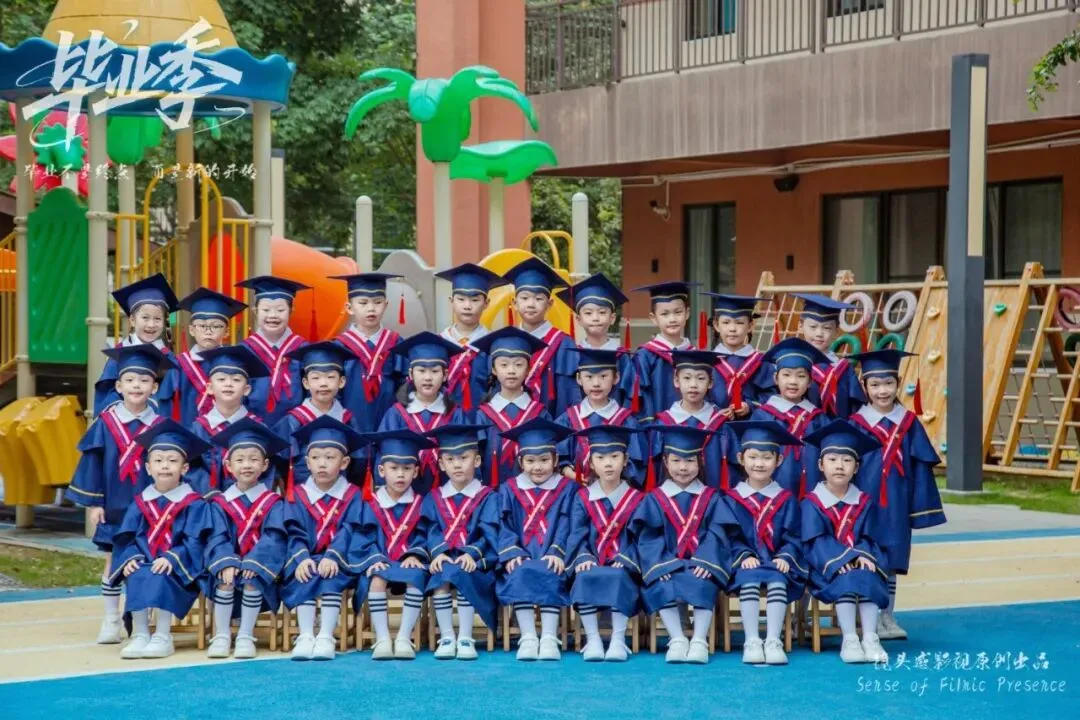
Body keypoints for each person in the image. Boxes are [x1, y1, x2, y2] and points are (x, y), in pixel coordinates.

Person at [68, 344, 171, 645]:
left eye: (144, 380)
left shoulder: (160, 425)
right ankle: (111, 618)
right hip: (114, 502)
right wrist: (94, 503)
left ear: (154, 387)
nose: (137, 386)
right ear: (118, 386)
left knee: (148, 559)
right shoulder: (106, 422)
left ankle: (142, 618)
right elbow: (93, 463)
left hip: (150, 506)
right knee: (113, 559)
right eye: (130, 380)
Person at [850, 349, 946, 641]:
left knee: (892, 560)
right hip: (863, 503)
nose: (882, 390)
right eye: (875, 384)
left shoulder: (908, 422)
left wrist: (920, 506)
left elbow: (920, 467)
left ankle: (887, 616)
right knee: (867, 557)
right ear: (864, 386)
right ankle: (865, 617)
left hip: (896, 502)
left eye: (888, 383)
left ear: (899, 383)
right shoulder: (855, 424)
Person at [628, 424, 739, 664]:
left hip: (700, 563)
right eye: (676, 461)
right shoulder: (655, 499)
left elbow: (717, 533)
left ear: (700, 462)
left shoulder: (711, 497)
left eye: (689, 461)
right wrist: (661, 564)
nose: (683, 468)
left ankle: (699, 640)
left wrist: (707, 561)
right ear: (665, 462)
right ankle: (677, 638)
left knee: (703, 581)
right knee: (661, 582)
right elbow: (649, 536)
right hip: (668, 563)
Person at [110, 420, 214, 660]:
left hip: (179, 568)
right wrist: (131, 558)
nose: (165, 466)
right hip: (146, 561)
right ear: (148, 468)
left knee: (160, 572)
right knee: (136, 572)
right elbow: (126, 538)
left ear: (185, 468)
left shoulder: (194, 503)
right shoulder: (140, 503)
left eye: (172, 460)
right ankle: (140, 634)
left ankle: (162, 635)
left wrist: (173, 557)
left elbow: (196, 541)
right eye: (158, 460)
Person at [340, 429, 436, 661]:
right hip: (380, 562)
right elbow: (362, 536)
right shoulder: (370, 503)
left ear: (416, 472)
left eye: (407, 469)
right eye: (394, 468)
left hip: (409, 565)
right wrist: (374, 559)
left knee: (415, 577)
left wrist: (416, 554)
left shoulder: (422, 503)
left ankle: (403, 637)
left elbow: (427, 533)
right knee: (377, 579)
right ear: (381, 471)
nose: (400, 474)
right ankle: (382, 638)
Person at [800, 419, 889, 665]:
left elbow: (871, 536)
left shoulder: (864, 501)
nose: (839, 466)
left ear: (856, 467)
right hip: (824, 567)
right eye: (832, 460)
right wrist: (842, 559)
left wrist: (863, 555)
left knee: (868, 575)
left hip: (859, 563)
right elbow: (814, 541)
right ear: (820, 464)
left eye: (847, 460)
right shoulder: (812, 503)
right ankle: (850, 638)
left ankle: (870, 637)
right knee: (847, 577)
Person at [280, 416, 366, 661]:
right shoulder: (297, 495)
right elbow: (293, 531)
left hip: (340, 560)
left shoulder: (353, 494)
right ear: (307, 462)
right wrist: (301, 558)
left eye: (330, 457)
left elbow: (351, 529)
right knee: (304, 573)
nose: (322, 464)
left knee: (331, 575)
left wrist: (333, 556)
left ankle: (327, 635)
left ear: (345, 462)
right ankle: (306, 635)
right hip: (306, 557)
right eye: (316, 457)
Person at [203, 420, 290, 659]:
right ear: (228, 466)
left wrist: (254, 562)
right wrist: (226, 561)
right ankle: (222, 635)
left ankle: (245, 634)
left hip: (260, 569)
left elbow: (274, 537)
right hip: (227, 566)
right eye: (240, 460)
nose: (247, 465)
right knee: (224, 578)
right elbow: (217, 536)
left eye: (253, 459)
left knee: (253, 578)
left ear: (265, 465)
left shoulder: (274, 503)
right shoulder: (219, 503)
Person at [722, 421, 806, 666]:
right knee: (749, 579)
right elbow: (727, 536)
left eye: (767, 457)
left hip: (776, 564)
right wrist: (743, 555)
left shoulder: (786, 499)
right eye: (753, 457)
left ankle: (773, 640)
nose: (759, 463)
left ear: (779, 460)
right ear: (740, 458)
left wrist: (786, 556)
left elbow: (794, 535)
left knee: (778, 580)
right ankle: (751, 640)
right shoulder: (730, 499)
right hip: (743, 565)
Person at [495, 418, 577, 661]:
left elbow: (569, 523)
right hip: (521, 553)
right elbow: (503, 524)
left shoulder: (567, 488)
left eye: (544, 460)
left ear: (555, 460)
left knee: (550, 569)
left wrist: (557, 551)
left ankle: (549, 636)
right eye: (530, 461)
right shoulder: (509, 488)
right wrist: (512, 551)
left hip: (553, 554)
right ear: (520, 462)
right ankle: (528, 636)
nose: (537, 467)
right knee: (520, 570)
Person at [565, 425, 645, 662]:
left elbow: (643, 537)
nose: (608, 463)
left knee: (619, 577)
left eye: (615, 456)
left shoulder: (638, 499)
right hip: (592, 561)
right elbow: (576, 532)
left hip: (624, 564)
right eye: (600, 458)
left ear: (626, 460)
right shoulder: (582, 498)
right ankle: (593, 639)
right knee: (584, 576)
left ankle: (618, 640)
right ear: (591, 463)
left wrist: (627, 558)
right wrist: (583, 556)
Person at [422, 424, 501, 660]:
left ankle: (465, 637)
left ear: (477, 461)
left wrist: (472, 553)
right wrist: (438, 553)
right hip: (445, 560)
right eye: (450, 459)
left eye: (464, 458)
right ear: (441, 464)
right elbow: (430, 529)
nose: (457, 464)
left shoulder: (488, 496)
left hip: (476, 562)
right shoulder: (434, 497)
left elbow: (490, 532)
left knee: (463, 573)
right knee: (442, 575)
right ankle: (447, 637)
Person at [378, 332, 470, 495]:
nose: (428, 378)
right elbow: (384, 455)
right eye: (421, 371)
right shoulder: (396, 414)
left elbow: (466, 455)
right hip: (406, 492)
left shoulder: (455, 414)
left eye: (434, 371)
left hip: (447, 493)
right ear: (411, 374)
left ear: (445, 375)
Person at [750, 338, 832, 499]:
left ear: (810, 381)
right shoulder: (763, 416)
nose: (793, 382)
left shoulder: (818, 419)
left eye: (801, 376)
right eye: (786, 375)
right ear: (776, 378)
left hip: (812, 491)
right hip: (772, 493)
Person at [470, 327, 552, 488]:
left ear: (528, 369)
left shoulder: (539, 413)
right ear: (494, 370)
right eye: (504, 365)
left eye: (518, 365)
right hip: (492, 491)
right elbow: (476, 458)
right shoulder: (484, 415)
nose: (511, 371)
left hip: (532, 494)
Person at [649, 349, 740, 491]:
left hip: (713, 498)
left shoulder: (721, 423)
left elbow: (732, 469)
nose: (693, 385)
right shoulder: (663, 423)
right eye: (687, 378)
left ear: (710, 383)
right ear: (676, 381)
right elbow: (656, 469)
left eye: (701, 378)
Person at [332, 272, 407, 441]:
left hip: (389, 426)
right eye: (363, 303)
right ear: (349, 308)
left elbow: (404, 385)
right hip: (349, 425)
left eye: (377, 302)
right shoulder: (339, 347)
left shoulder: (395, 343)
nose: (371, 308)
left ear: (386, 305)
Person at [555, 348, 646, 487]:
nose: (596, 383)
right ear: (578, 379)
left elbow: (636, 466)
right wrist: (568, 472)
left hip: (614, 491)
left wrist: (612, 478)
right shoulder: (567, 419)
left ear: (616, 378)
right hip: (576, 491)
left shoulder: (627, 421)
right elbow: (557, 458)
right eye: (589, 377)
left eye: (603, 376)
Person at [273, 342, 358, 488]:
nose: (323, 383)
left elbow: (358, 462)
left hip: (340, 492)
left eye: (330, 377)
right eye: (316, 378)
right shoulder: (293, 421)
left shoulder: (348, 419)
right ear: (305, 383)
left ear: (342, 382)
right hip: (301, 493)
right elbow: (281, 463)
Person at [187, 344, 269, 496]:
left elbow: (268, 471)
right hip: (208, 502)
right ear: (210, 388)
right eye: (221, 379)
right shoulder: (198, 429)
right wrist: (212, 494)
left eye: (236, 379)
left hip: (249, 502)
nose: (229, 384)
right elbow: (191, 468)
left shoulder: (257, 427)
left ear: (246, 390)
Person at [94, 273, 180, 417]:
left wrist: (150, 406)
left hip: (155, 419)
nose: (151, 324)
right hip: (123, 420)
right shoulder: (120, 353)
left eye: (157, 319)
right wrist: (121, 408)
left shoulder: (169, 358)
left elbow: (172, 395)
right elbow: (107, 390)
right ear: (133, 320)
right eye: (145, 318)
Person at [502, 257, 578, 417]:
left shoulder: (563, 344)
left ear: (549, 304)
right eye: (524, 298)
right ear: (514, 303)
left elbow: (569, 394)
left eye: (538, 298)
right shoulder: (505, 342)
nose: (531, 304)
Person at [236, 275, 310, 426]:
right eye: (266, 309)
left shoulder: (302, 349)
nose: (272, 315)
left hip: (295, 426)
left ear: (291, 311)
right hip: (252, 426)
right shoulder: (244, 350)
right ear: (255, 311)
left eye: (280, 310)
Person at [554, 273, 636, 406]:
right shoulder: (573, 356)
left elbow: (629, 397)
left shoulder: (622, 357)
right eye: (588, 313)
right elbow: (565, 396)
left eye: (602, 312)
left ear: (612, 318)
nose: (595, 318)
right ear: (578, 320)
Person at [435, 263, 508, 411]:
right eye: (461, 299)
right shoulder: (439, 343)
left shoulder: (493, 347)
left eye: (475, 300)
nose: (467, 306)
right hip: (444, 419)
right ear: (451, 301)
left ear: (486, 303)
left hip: (483, 419)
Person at [174, 288, 248, 427]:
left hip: (229, 431)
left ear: (226, 331)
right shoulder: (178, 364)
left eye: (216, 326)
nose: (208, 332)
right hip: (189, 432)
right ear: (191, 330)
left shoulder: (235, 361)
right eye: (202, 326)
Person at [631, 281, 698, 423]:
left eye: (678, 312)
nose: (672, 319)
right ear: (654, 318)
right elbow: (643, 399)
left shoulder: (694, 354)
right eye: (664, 314)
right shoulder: (645, 355)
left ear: (687, 313)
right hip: (657, 428)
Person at [793, 294, 866, 419]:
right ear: (800, 326)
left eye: (827, 328)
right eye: (813, 327)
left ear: (836, 331)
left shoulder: (843, 370)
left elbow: (855, 409)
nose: (819, 333)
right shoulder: (790, 364)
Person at [701, 292, 775, 417]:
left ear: (750, 326)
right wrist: (716, 411)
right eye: (726, 322)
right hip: (714, 423)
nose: (732, 329)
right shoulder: (706, 361)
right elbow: (699, 394)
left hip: (751, 424)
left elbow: (771, 395)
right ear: (716, 325)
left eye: (739, 323)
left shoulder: (761, 362)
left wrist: (750, 406)